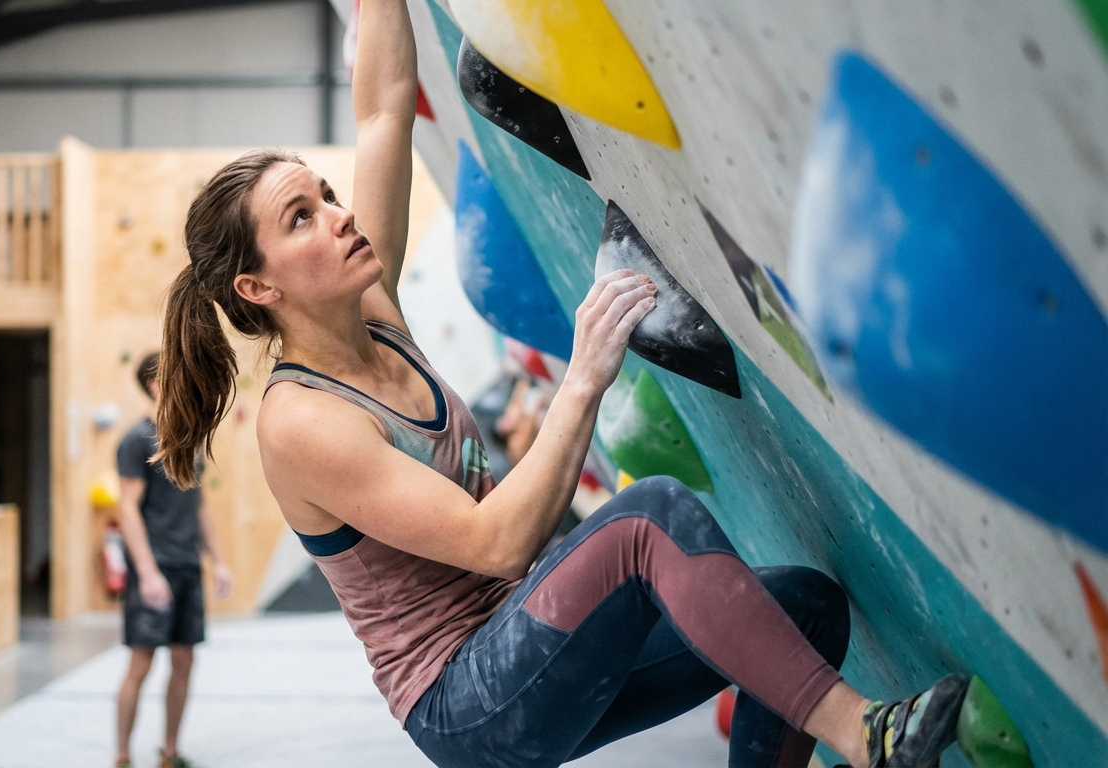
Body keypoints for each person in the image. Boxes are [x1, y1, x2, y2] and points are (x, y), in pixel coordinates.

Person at [151, 1, 975, 765]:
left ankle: (842, 727)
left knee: (804, 607)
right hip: (465, 701)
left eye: (326, 194)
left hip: (528, 638)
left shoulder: (375, 310)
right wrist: (583, 379)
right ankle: (867, 740)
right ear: (257, 289)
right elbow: (495, 544)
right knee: (650, 516)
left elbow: (380, 110)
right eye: (301, 217)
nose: (337, 213)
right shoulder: (300, 423)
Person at [114, 353, 233, 768]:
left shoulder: (191, 438)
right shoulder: (136, 440)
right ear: (154, 385)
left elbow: (198, 505)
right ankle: (122, 756)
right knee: (141, 663)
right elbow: (127, 510)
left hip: (186, 565)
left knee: (184, 660)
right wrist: (146, 573)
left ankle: (169, 752)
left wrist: (217, 561)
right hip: (155, 566)